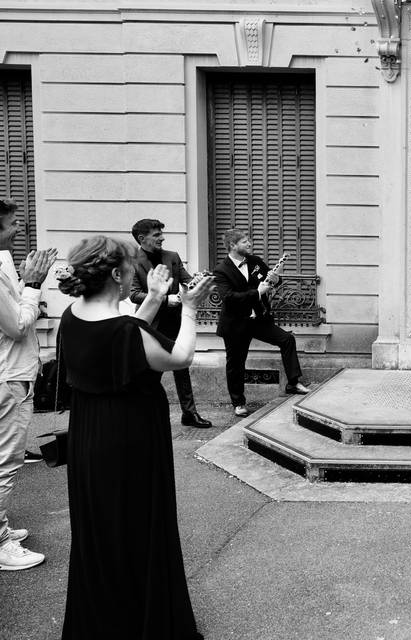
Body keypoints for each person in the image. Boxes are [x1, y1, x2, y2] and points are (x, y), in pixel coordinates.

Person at [56, 235, 213, 638]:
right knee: (139, 526)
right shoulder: (127, 331)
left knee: (102, 528)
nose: (134, 276)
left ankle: (103, 620)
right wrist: (191, 310)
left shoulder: (72, 315)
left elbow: (124, 335)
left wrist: (157, 298)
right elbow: (178, 357)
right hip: (129, 437)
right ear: (115, 274)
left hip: (89, 435)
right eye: (129, 270)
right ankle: (143, 623)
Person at [0, 198, 57, 571]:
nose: (19, 228)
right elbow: (16, 326)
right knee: (6, 461)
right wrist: (33, 285)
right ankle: (1, 542)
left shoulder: (3, 263)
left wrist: (22, 283)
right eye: (11, 224)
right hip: (8, 377)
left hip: (10, 373)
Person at [213, 229, 309, 417]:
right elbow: (229, 298)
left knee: (287, 339)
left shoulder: (255, 261)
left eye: (249, 241)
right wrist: (257, 293)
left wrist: (276, 279)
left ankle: (293, 383)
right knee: (236, 364)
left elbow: (271, 281)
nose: (249, 244)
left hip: (258, 319)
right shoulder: (221, 270)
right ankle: (238, 403)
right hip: (236, 324)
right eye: (244, 241)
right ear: (233, 246)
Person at [129, 218, 212, 428]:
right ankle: (142, 414)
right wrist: (166, 299)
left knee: (182, 368)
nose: (162, 238)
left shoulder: (172, 257)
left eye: (161, 234)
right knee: (150, 373)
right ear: (142, 238)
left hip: (174, 322)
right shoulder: (132, 261)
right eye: (156, 235)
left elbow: (186, 279)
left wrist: (197, 281)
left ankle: (189, 414)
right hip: (151, 324)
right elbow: (134, 295)